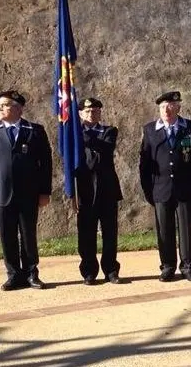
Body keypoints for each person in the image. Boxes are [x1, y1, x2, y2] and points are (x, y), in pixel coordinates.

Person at [0, 90, 52, 291]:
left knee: (28, 234)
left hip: (29, 192)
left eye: (6, 104)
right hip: (0, 191)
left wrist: (45, 191)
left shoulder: (35, 130)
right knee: (7, 235)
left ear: (19, 108)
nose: (1, 108)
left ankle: (31, 274)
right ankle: (13, 275)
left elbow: (45, 163)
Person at [139, 91, 191, 282]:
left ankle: (188, 266)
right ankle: (167, 266)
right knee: (164, 229)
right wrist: (148, 189)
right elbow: (144, 163)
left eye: (170, 106)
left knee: (186, 228)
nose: (166, 110)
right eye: (162, 107)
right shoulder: (150, 130)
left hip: (185, 188)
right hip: (161, 188)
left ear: (178, 107)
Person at [75, 97, 123, 285]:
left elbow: (105, 148)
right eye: (87, 111)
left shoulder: (109, 131)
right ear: (80, 113)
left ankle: (111, 269)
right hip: (85, 190)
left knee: (110, 232)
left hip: (107, 189)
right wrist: (72, 132)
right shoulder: (73, 134)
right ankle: (88, 270)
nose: (91, 114)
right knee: (86, 233)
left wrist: (78, 135)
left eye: (95, 111)